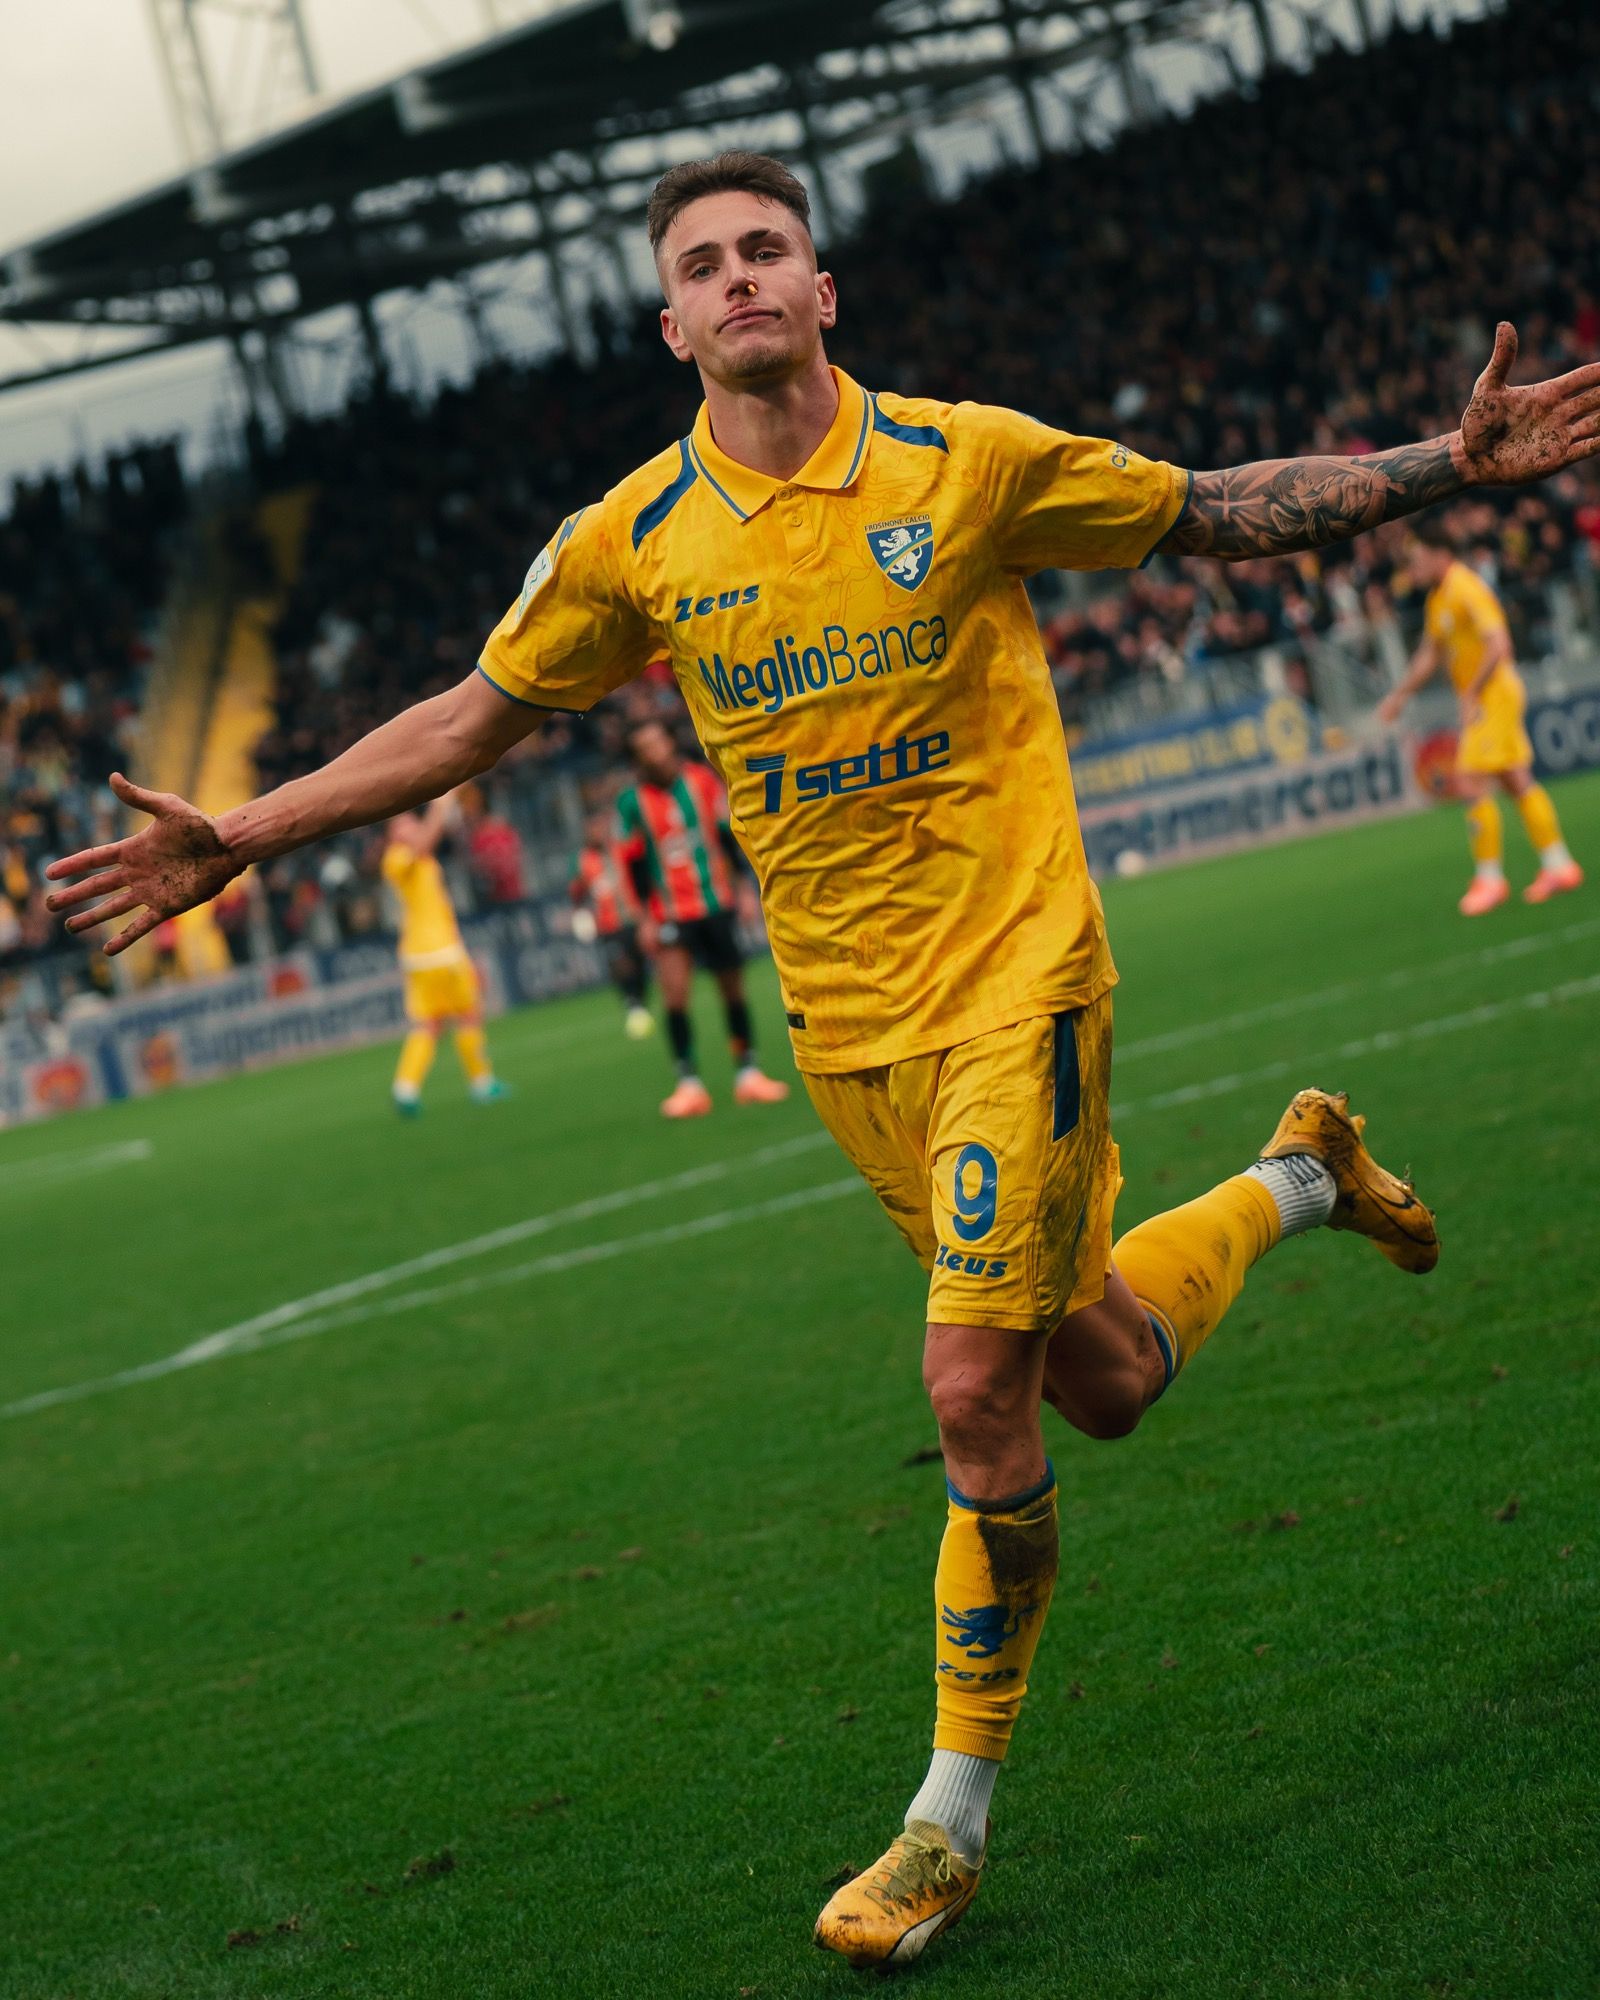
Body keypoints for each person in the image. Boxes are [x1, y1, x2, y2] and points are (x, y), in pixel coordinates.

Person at [44, 151, 1600, 1971]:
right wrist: (242, 831)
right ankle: (1302, 1174)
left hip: (1021, 985)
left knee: (970, 1389)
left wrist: (1443, 465)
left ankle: (947, 1823)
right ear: (671, 324)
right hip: (850, 1039)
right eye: (703, 263)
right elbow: (467, 721)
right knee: (1100, 1377)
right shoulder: (634, 540)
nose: (739, 278)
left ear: (821, 287)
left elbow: (1209, 511)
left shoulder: (966, 462)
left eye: (766, 248)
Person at [1379, 517, 1582, 913]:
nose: (1413, 568)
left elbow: (1499, 644)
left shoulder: (1466, 587)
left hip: (1492, 696)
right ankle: (1559, 866)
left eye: (1417, 559)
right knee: (1516, 780)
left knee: (1469, 780)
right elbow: (1430, 654)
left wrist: (1471, 693)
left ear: (1440, 555)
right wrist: (1400, 695)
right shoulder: (1439, 597)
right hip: (1488, 697)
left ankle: (1490, 880)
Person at [616, 714, 789, 1116]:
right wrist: (643, 918)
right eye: (644, 749)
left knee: (733, 990)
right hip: (670, 912)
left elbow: (728, 837)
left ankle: (748, 1073)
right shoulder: (632, 802)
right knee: (675, 994)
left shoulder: (701, 781)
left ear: (670, 743)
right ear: (637, 758)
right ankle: (689, 1083)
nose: (654, 753)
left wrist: (745, 889)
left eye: (657, 743)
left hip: (715, 901)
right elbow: (632, 863)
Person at [381, 792, 506, 1114]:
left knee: (430, 1025)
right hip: (438, 952)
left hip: (425, 952)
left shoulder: (420, 859)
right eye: (403, 824)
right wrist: (439, 807)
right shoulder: (397, 858)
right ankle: (481, 1083)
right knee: (468, 1016)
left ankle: (405, 1089)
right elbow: (425, 841)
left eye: (411, 821)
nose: (411, 826)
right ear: (393, 836)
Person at [568, 804, 655, 1039]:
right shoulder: (582, 860)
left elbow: (642, 855)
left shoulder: (620, 849)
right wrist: (579, 913)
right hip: (608, 925)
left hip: (632, 918)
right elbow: (576, 890)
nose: (597, 832)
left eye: (599, 826)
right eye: (592, 828)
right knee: (620, 964)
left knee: (639, 964)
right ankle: (632, 1003)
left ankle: (639, 1002)